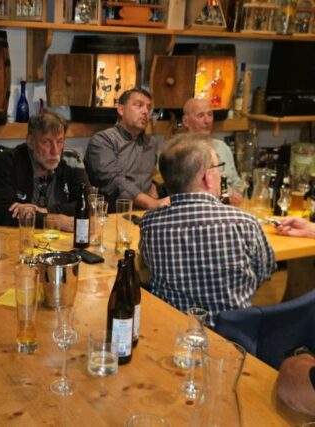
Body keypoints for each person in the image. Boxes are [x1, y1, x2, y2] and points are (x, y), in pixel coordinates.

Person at [139, 133, 275, 328]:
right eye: (219, 168)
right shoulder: (245, 223)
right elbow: (264, 272)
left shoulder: (150, 224)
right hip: (235, 337)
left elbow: (148, 265)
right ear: (207, 177)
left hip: (174, 334)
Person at [0, 111, 89, 229]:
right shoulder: (9, 161)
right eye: (46, 142)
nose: (55, 151)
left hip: (62, 238)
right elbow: (2, 215)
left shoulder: (71, 160)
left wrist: (46, 211)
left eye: (59, 141)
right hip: (22, 238)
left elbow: (87, 203)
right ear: (30, 141)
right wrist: (55, 221)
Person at [85, 87, 170, 211]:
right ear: (121, 109)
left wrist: (154, 187)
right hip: (112, 214)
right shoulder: (103, 140)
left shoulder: (151, 143)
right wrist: (150, 202)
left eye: (148, 108)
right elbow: (114, 182)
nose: (146, 111)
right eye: (139, 105)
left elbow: (148, 178)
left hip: (146, 214)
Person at [181, 97, 244, 205]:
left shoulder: (223, 147)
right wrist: (223, 192)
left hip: (227, 208)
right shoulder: (179, 151)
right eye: (201, 115)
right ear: (186, 121)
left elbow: (237, 183)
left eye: (210, 115)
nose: (207, 121)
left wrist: (236, 194)